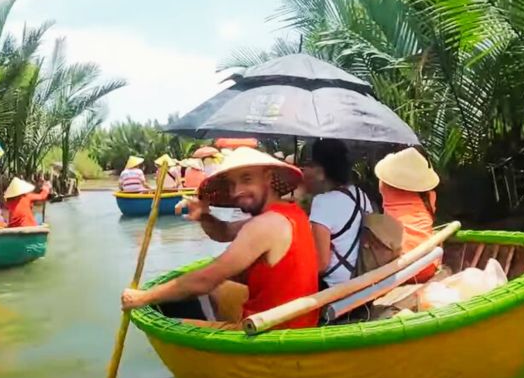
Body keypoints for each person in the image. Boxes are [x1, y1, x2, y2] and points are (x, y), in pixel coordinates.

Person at [121, 147, 319, 330]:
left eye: (247, 179)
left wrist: (143, 297)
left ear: (268, 178)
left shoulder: (264, 225)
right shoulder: (289, 212)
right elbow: (224, 232)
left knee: (171, 313)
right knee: (213, 290)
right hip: (295, 322)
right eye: (232, 184)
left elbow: (206, 280)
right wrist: (203, 215)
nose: (236, 191)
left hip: (270, 333)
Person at [302, 139, 375, 288]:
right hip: (363, 276)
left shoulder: (322, 202)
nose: (303, 171)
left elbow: (320, 264)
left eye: (308, 165)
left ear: (320, 171)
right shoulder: (360, 194)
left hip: (335, 287)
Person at [375, 147, 440, 282]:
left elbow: (384, 175)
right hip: (428, 265)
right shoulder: (430, 195)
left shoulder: (385, 188)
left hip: (399, 269)